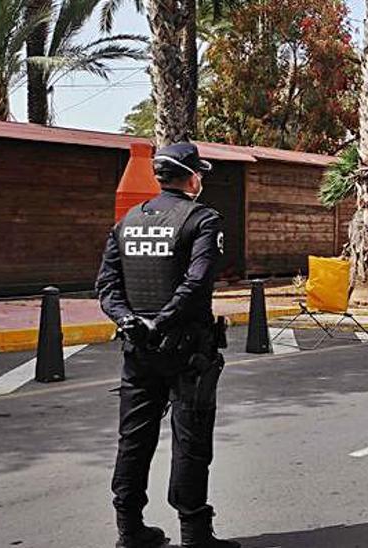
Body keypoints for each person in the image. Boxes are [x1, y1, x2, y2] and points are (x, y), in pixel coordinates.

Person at [96, 142, 237, 548]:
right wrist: (162, 321)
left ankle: (130, 530)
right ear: (191, 176)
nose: (202, 180)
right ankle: (195, 533)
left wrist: (129, 321)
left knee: (133, 439)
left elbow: (106, 286)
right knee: (191, 440)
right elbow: (197, 283)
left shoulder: (128, 222)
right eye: (200, 173)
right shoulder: (202, 219)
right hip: (187, 350)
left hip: (139, 351)